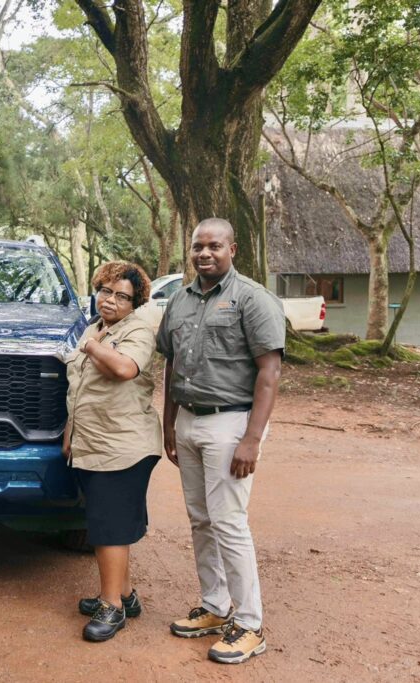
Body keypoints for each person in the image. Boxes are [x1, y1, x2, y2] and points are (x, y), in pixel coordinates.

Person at [156, 217, 285, 664]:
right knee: (200, 518)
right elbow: (171, 365)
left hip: (232, 425)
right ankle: (215, 605)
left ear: (233, 249)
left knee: (229, 521)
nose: (205, 253)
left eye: (214, 246)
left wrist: (252, 439)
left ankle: (250, 624)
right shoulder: (179, 300)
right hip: (189, 421)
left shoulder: (252, 299)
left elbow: (269, 372)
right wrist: (170, 422)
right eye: (197, 247)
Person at [63, 260, 162, 642]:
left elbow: (123, 369)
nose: (111, 300)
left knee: (108, 529)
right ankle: (124, 594)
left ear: (135, 303)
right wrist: (70, 431)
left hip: (123, 446)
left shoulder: (136, 330)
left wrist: (90, 347)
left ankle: (112, 608)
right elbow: (79, 388)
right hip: (94, 442)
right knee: (113, 524)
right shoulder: (94, 329)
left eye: (122, 296)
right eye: (106, 291)